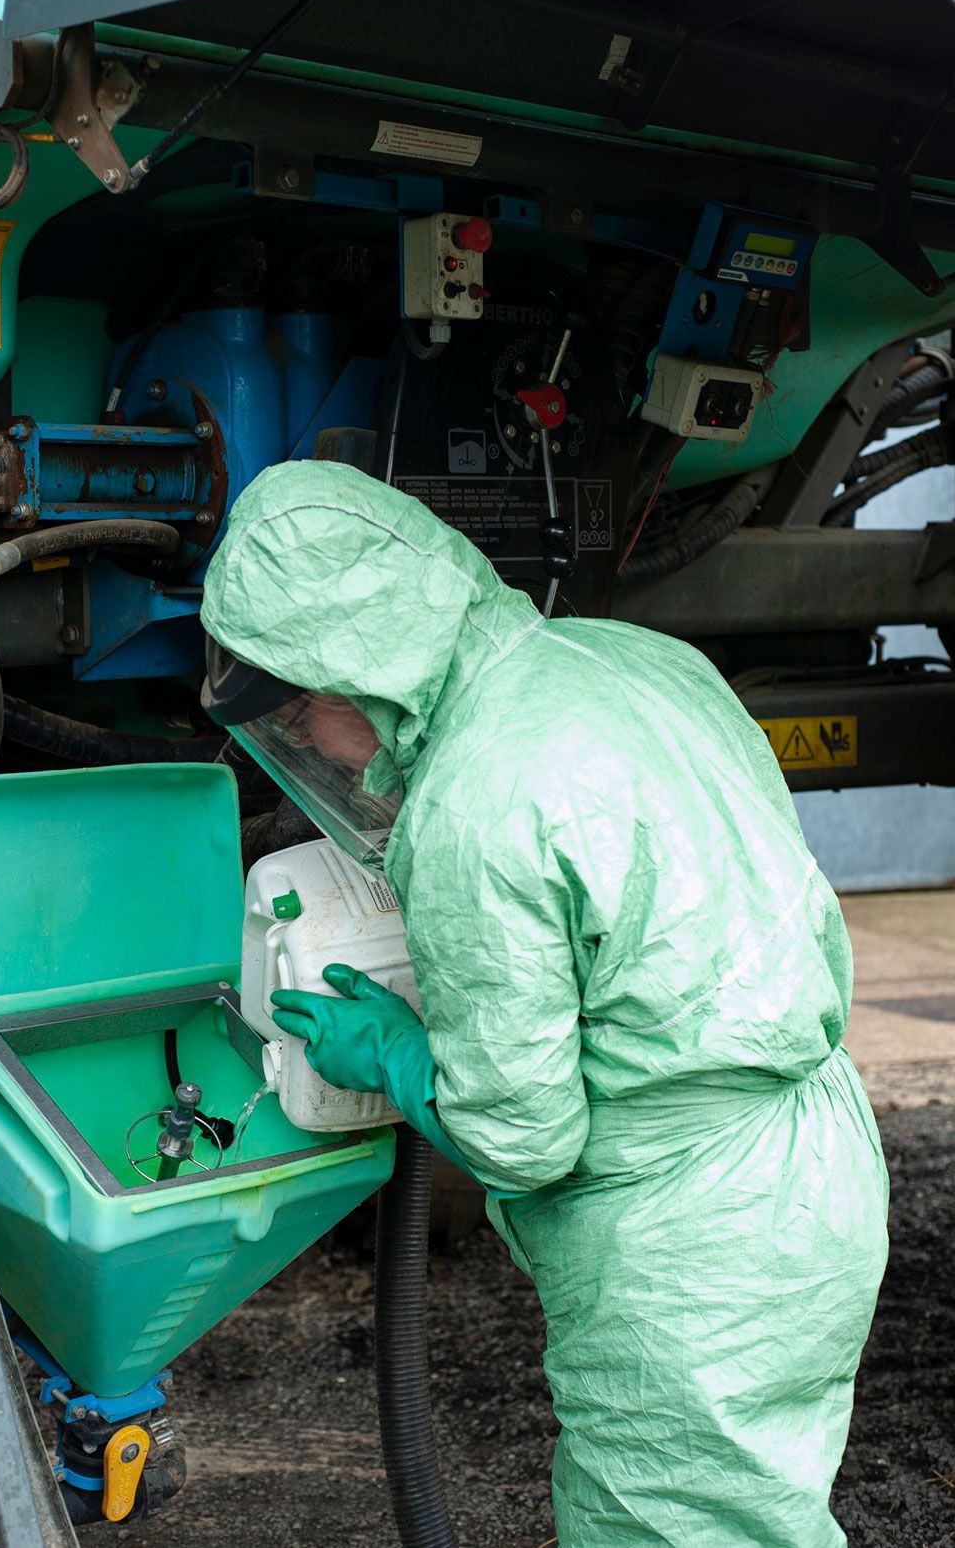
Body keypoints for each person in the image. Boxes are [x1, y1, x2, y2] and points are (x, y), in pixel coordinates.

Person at [200, 458, 889, 1548]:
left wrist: (401, 1056)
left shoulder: (475, 802)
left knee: (669, 1526)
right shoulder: (624, 658)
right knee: (760, 1514)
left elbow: (524, 1137)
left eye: (302, 725)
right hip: (813, 1173)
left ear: (345, 683)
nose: (320, 757)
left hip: (688, 1239)